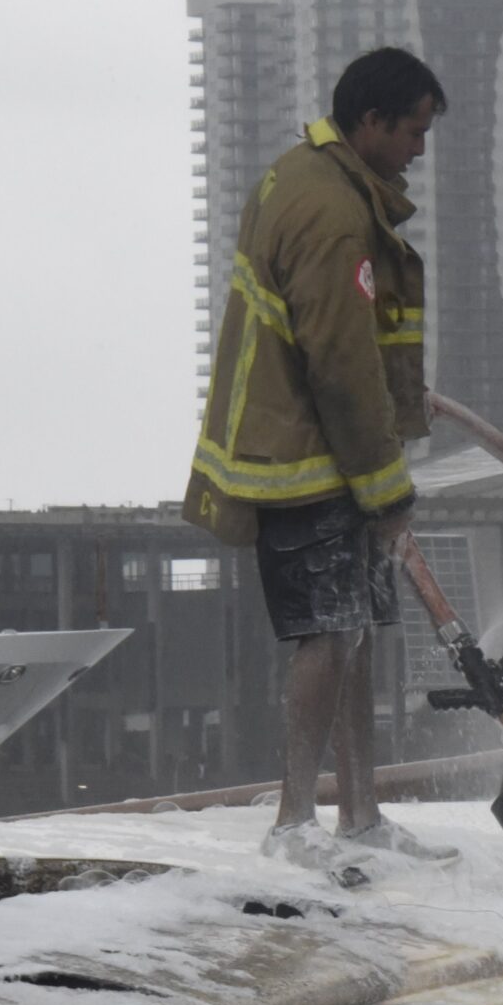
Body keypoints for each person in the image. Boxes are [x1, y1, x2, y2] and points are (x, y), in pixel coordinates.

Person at [184, 46, 455, 867]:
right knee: (326, 636)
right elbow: (341, 363)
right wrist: (387, 488)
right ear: (370, 122)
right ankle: (294, 823)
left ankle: (361, 817)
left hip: (325, 452)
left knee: (356, 632)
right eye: (412, 131)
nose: (418, 149)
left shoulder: (305, 176)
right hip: (306, 459)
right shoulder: (334, 215)